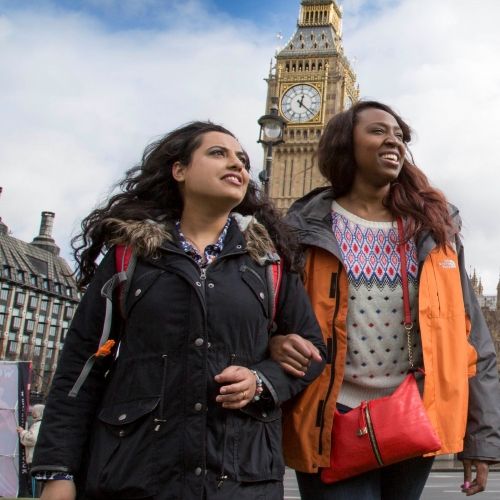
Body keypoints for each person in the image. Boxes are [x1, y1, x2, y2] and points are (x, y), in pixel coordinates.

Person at [31, 121, 326, 500]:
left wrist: (262, 381)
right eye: (218, 153)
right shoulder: (130, 256)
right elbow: (81, 365)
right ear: (179, 170)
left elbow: (313, 352)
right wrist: (58, 470)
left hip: (240, 479)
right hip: (136, 475)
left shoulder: (269, 263)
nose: (237, 164)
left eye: (243, 159)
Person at [270, 101, 500, 499]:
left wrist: (482, 439)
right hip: (331, 415)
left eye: (398, 134)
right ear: (345, 143)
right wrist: (273, 343)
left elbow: (472, 341)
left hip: (412, 413)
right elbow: (267, 315)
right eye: (378, 130)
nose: (392, 139)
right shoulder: (302, 228)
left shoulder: (434, 230)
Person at [17, 404, 45, 494]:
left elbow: (33, 439)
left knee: (35, 485)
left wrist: (23, 432)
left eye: (33, 411)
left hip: (35, 459)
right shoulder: (42, 424)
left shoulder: (38, 424)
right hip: (39, 458)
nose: (32, 413)